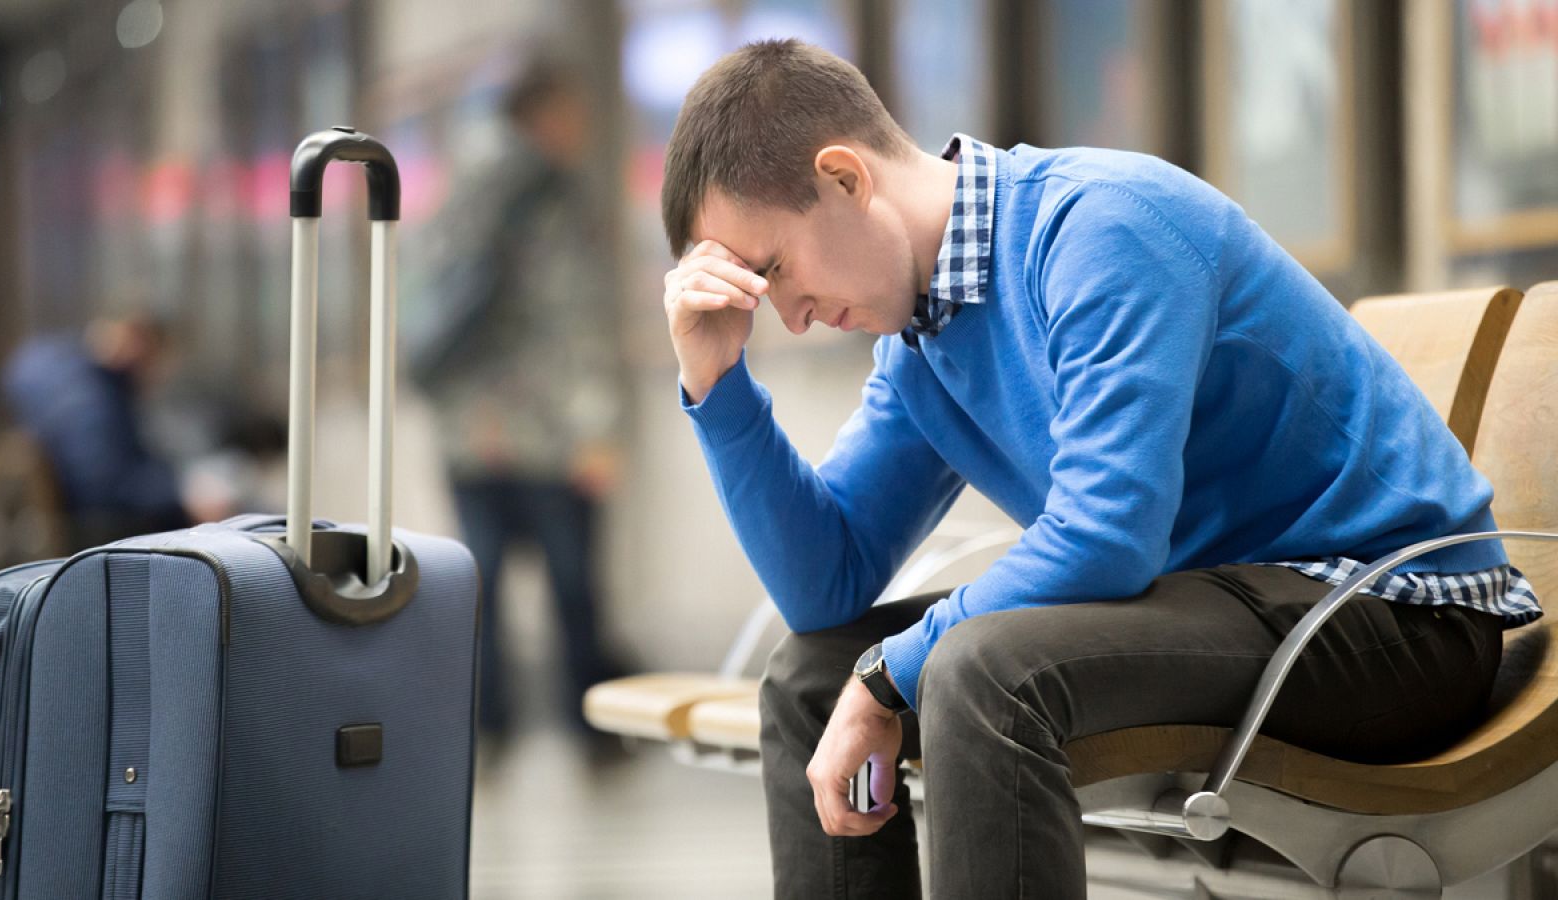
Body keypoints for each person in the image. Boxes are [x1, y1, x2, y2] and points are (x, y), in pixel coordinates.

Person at [657, 40, 1540, 899]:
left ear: (846, 178)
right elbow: (826, 588)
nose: (793, 319)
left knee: (978, 668)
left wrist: (891, 673)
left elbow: (1108, 534)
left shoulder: (1100, 226)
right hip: (1228, 600)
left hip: (1387, 613)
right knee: (812, 677)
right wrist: (716, 382)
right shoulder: (921, 343)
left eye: (774, 271)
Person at [410, 59, 627, 757]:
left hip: (471, 432)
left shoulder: (458, 185)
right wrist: (598, 429)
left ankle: (489, 728)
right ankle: (590, 728)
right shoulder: (550, 195)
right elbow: (576, 321)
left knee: (483, 588)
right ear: (545, 115)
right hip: (548, 435)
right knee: (573, 590)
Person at [3, 312, 191, 548]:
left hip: (84, 524)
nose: (153, 377)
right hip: (93, 538)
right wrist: (180, 496)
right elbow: (105, 486)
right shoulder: (87, 401)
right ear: (136, 341)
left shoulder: (50, 363)